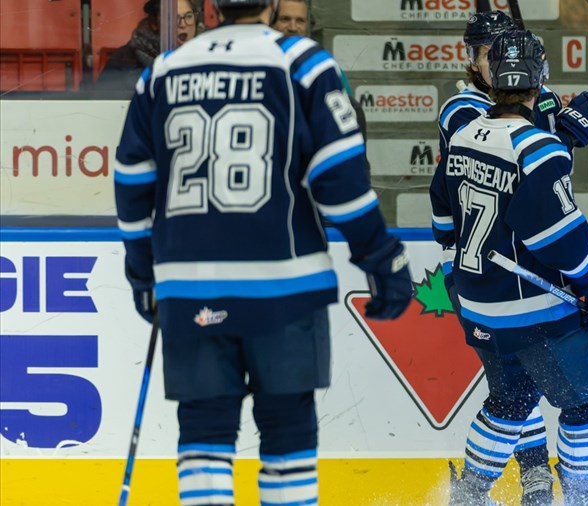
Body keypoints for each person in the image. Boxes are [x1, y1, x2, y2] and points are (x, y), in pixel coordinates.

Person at [113, 0, 413, 504]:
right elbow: (339, 178)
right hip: (285, 288)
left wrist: (144, 275)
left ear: (214, 8)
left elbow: (131, 182)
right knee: (287, 430)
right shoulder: (303, 63)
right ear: (271, 4)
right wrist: (380, 257)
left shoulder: (162, 72)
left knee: (204, 430)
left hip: (190, 287)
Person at [432, 11, 588, 506]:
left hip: (482, 298)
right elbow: (558, 235)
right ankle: (583, 497)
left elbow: (443, 213)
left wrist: (461, 273)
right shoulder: (531, 142)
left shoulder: (465, 138)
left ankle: (468, 495)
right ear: (538, 79)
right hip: (531, 306)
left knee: (510, 400)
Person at [271, 0, 370, 176]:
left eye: (300, 21)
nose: (293, 27)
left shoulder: (326, 69)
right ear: (270, 22)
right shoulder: (258, 64)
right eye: (285, 19)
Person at [95, 0, 200, 94]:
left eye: (189, 16)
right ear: (155, 23)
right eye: (174, 18)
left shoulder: (210, 53)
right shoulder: (124, 59)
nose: (183, 24)